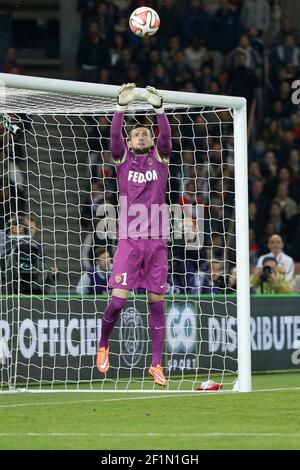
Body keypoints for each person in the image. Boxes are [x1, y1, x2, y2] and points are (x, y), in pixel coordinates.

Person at [96, 83, 172, 387]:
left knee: (157, 301)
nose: (141, 136)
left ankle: (156, 364)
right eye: (136, 134)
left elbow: (165, 137)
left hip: (156, 240)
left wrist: (160, 110)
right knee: (118, 301)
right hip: (129, 239)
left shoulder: (161, 158)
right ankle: (103, 343)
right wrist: (120, 109)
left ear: (152, 140)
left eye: (145, 134)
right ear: (129, 141)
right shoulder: (123, 159)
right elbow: (114, 138)